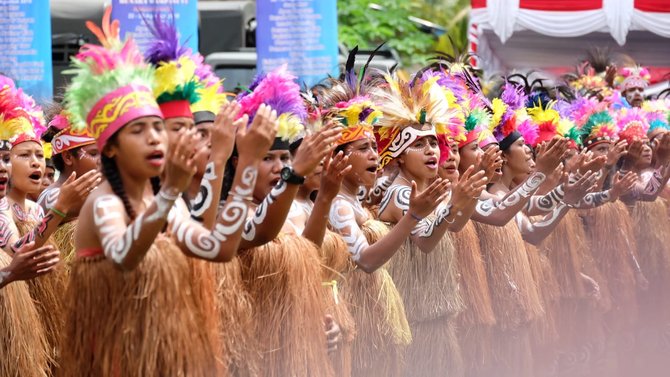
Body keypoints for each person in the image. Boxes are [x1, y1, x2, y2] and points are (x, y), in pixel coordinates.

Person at [58, 8, 276, 375]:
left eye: (158, 127)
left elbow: (218, 249)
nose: (154, 138)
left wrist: (249, 161)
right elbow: (123, 254)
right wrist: (171, 190)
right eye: (138, 130)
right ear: (109, 147)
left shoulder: (165, 205)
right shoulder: (104, 202)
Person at [373, 73, 486, 377]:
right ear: (396, 156)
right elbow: (424, 241)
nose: (431, 151)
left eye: (433, 143)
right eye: (419, 145)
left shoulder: (434, 189)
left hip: (437, 318)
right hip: (413, 322)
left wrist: (468, 197)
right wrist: (453, 203)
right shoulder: (399, 193)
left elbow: (457, 224)